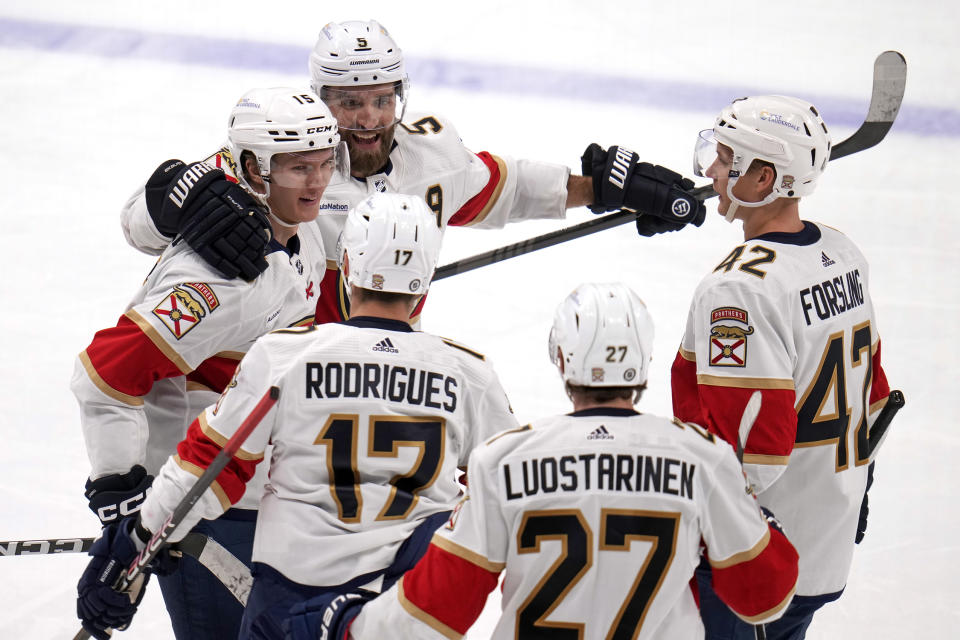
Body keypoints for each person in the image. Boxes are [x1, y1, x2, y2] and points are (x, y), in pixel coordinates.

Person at [76, 192, 522, 640]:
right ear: (425, 283)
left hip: (290, 604)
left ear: (345, 266)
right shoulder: (469, 373)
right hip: (405, 609)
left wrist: (132, 543)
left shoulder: (285, 356)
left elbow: (209, 468)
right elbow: (509, 496)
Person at [119, 19, 707, 326]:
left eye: (382, 99)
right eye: (350, 103)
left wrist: (602, 187)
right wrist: (175, 197)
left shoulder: (430, 151)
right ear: (319, 99)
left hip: (387, 367)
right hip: (276, 373)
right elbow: (140, 228)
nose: (370, 119)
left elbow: (502, 190)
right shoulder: (277, 159)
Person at [302, 282, 799, 639]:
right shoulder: (702, 459)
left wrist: (354, 626)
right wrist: (761, 525)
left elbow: (440, 608)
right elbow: (765, 600)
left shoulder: (504, 460)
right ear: (643, 362)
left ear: (561, 358)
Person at [72, 86, 342, 640]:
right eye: (298, 168)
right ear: (254, 169)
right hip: (213, 496)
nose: (317, 183)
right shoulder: (221, 280)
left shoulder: (281, 207)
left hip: (267, 480)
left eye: (323, 164)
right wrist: (122, 497)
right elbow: (103, 372)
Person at [671, 95, 893, 639]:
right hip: (824, 535)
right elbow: (876, 397)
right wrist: (851, 488)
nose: (710, 170)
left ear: (764, 176)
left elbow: (751, 453)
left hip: (755, 557)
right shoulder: (841, 254)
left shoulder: (741, 289)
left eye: (725, 160)